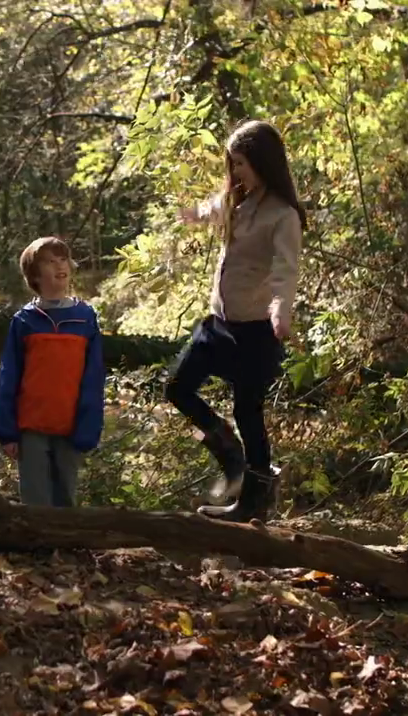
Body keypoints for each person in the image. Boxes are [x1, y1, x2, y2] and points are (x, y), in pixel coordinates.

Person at [168, 119, 305, 522]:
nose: (235, 172)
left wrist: (280, 310)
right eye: (232, 164)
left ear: (263, 162)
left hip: (257, 331)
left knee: (249, 412)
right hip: (219, 324)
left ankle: (254, 500)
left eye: (241, 163)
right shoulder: (236, 201)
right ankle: (230, 455)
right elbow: (213, 208)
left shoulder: (283, 215)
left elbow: (286, 270)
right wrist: (194, 213)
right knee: (177, 388)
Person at [0, 237, 106, 507]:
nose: (59, 265)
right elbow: (9, 377)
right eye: (49, 261)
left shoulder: (85, 317)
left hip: (71, 424)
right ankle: (36, 536)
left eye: (63, 259)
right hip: (31, 427)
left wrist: (89, 425)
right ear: (34, 275)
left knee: (66, 499)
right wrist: (7, 431)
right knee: (35, 501)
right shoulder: (24, 320)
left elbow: (93, 377)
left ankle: (65, 537)